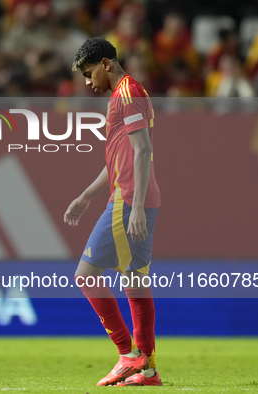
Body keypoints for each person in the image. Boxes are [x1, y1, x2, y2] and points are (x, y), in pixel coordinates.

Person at [65, 37, 162, 387]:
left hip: (129, 200)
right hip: (140, 197)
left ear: (106, 63)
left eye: (90, 74)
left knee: (86, 275)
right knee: (135, 281)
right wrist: (87, 196)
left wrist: (133, 207)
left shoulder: (127, 93)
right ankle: (148, 371)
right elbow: (120, 157)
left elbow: (143, 150)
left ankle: (127, 354)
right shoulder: (126, 94)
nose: (88, 83)